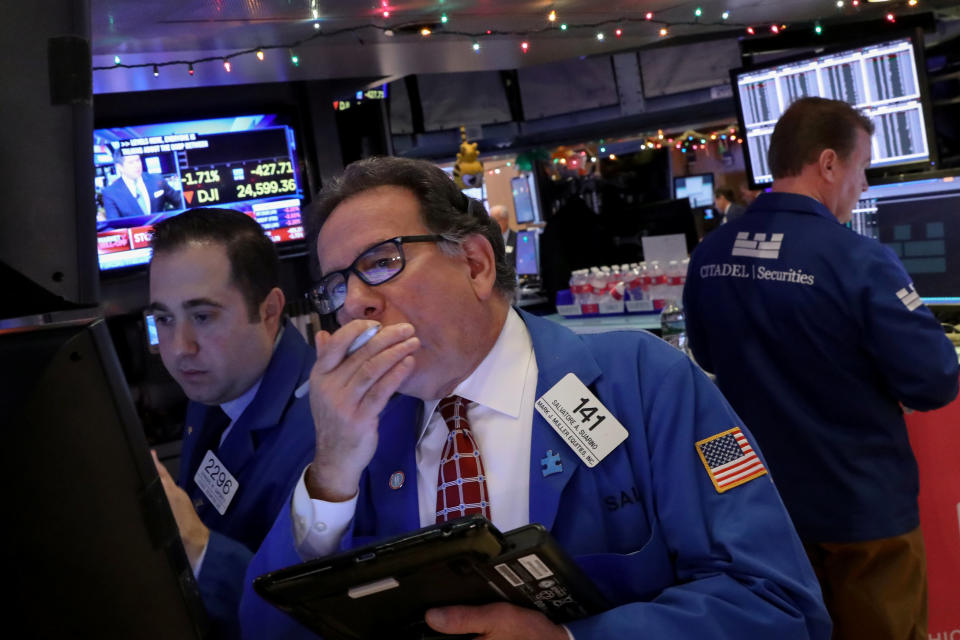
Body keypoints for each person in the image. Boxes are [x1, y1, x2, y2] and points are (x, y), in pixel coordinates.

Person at [239, 156, 830, 639]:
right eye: (337, 283)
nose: (354, 302)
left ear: (474, 263)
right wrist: (332, 474)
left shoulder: (646, 382)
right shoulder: (356, 436)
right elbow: (263, 631)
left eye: (381, 262)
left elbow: (777, 605)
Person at [683, 97, 959, 640]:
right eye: (861, 170)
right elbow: (935, 379)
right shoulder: (857, 258)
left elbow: (709, 358)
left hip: (764, 514)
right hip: (862, 513)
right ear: (829, 163)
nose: (861, 188)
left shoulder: (710, 255)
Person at [147, 208, 317, 637]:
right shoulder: (217, 380)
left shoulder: (325, 436)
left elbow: (314, 618)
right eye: (164, 319)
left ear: (271, 309)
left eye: (202, 317)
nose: (180, 348)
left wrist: (198, 548)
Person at [103, 148, 181, 219]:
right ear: (119, 167)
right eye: (131, 162)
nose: (137, 165)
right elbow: (113, 225)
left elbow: (181, 202)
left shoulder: (156, 180)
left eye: (138, 160)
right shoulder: (110, 193)